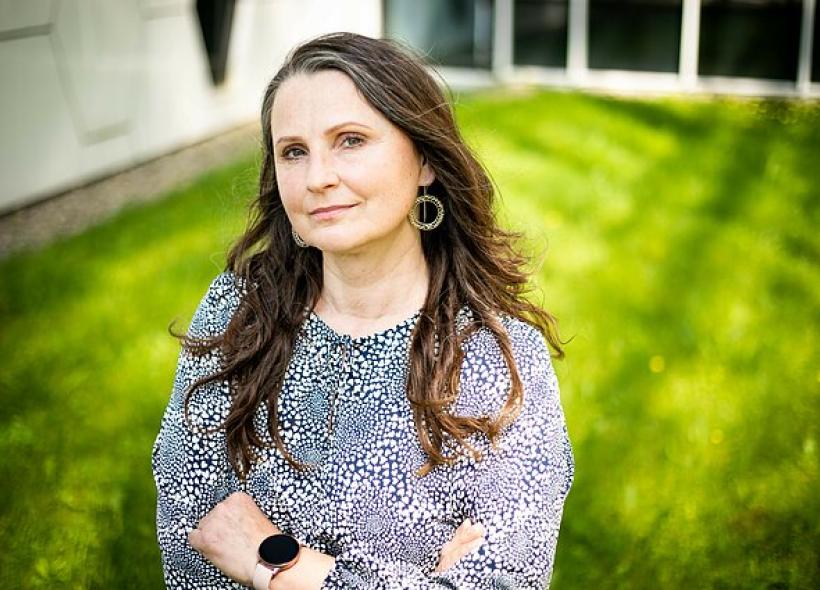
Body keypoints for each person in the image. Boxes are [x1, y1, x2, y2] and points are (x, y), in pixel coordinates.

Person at [152, 31, 573, 589]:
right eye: (293, 151)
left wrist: (273, 563)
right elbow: (191, 544)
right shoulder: (240, 312)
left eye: (350, 140)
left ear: (424, 160)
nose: (318, 178)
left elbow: (505, 582)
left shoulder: (497, 354)